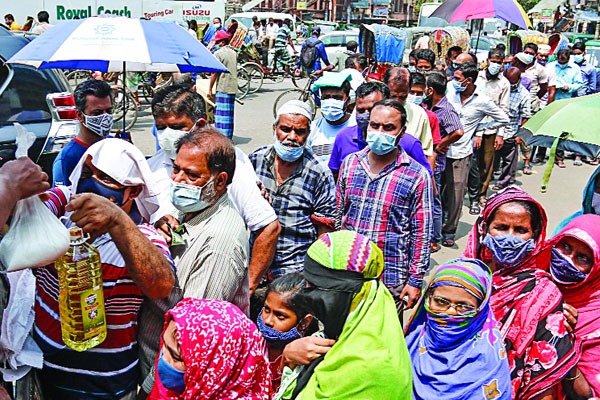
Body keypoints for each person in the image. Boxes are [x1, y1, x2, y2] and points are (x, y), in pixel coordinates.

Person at [35, 139, 175, 399]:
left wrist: (117, 220)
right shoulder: (63, 208)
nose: (92, 183)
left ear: (132, 192)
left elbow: (161, 284)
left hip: (105, 381)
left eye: (106, 178)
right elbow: (20, 220)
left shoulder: (144, 236)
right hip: (43, 365)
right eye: (88, 174)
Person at [138, 128, 257, 396]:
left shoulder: (220, 243)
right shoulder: (191, 209)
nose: (179, 180)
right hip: (152, 359)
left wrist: (150, 389)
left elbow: (191, 337)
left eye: (191, 175)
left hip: (171, 379)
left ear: (219, 181)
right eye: (176, 169)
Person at [148, 85, 279, 294]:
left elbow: (268, 227)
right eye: (160, 127)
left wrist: (250, 285)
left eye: (175, 126)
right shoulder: (151, 168)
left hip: (215, 281)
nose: (166, 135)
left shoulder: (228, 162)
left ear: (199, 124)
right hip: (166, 288)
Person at [463, 186, 581, 399]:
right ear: (484, 229)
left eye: (520, 230)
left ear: (534, 236)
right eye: (500, 227)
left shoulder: (544, 295)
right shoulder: (459, 279)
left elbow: (541, 383)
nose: (510, 237)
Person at [274, 231, 412, 399]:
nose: (306, 292)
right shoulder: (367, 309)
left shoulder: (368, 368)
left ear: (342, 290)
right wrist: (289, 356)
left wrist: (288, 360)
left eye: (314, 285)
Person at [336, 99, 433, 317]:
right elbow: (338, 216)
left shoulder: (417, 175)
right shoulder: (350, 164)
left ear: (402, 132)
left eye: (389, 128)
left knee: (383, 345)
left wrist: (415, 281)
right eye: (374, 125)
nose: (380, 132)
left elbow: (422, 234)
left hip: (389, 280)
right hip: (347, 274)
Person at [249, 100, 336, 280]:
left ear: (308, 134)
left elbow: (324, 231)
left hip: (295, 270)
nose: (292, 137)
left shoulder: (319, 173)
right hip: (254, 265)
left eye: (300, 132)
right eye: (286, 129)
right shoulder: (256, 160)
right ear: (275, 129)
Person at [404, 258, 511, 400]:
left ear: (480, 310)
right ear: (428, 299)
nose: (451, 312)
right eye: (441, 302)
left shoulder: (487, 357)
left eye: (464, 306)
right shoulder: (414, 338)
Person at [148, 298, 272, 399]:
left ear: (217, 370)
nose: (163, 358)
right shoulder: (173, 391)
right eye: (164, 345)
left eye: (175, 357)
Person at [442, 62, 508, 247]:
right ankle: (435, 228)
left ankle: (449, 231)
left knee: (456, 195)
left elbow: (503, 118)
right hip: (441, 150)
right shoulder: (449, 93)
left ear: (469, 80)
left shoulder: (482, 101)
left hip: (462, 152)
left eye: (458, 79)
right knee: (438, 191)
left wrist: (480, 128)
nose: (454, 81)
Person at [542, 215, 600, 397]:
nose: (568, 259)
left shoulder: (595, 316)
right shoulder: (528, 280)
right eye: (565, 247)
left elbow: (585, 395)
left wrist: (564, 342)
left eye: (583, 257)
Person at [328, 82, 432, 179]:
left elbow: (428, 185)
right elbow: (336, 178)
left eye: (372, 109)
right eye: (361, 110)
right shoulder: (344, 137)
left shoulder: (409, 144)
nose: (366, 115)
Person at [255, 273, 320, 392]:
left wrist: (286, 364)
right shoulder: (251, 343)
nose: (268, 321)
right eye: (267, 310)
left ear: (304, 322)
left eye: (280, 316)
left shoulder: (308, 356)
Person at [423, 71, 464, 252]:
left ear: (430, 90)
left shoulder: (445, 109)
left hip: (436, 162)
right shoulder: (430, 106)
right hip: (426, 158)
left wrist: (442, 144)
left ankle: (435, 238)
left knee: (434, 200)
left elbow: (458, 131)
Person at [467, 47, 510, 215]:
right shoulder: (478, 78)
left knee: (487, 163)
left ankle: (481, 193)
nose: (495, 65)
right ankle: (471, 191)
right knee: (471, 162)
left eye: (499, 63)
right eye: (493, 61)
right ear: (488, 61)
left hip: (491, 129)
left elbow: (504, 109)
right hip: (473, 126)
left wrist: (501, 134)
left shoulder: (503, 83)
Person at [52, 79, 113, 186]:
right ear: (80, 116)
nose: (105, 117)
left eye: (109, 111)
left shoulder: (115, 145)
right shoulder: (67, 159)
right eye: (97, 113)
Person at [383, 67, 436, 168]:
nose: (397, 101)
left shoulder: (419, 114)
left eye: (402, 97)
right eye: (393, 96)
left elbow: (428, 154)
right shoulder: (371, 110)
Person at [494, 67, 531, 190]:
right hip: (494, 128)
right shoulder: (498, 86)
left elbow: (526, 116)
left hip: (511, 131)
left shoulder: (524, 94)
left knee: (509, 160)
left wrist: (520, 135)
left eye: (513, 83)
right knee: (491, 158)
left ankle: (504, 181)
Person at [307, 71, 356, 164]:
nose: (331, 102)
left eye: (337, 98)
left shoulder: (356, 126)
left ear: (347, 100)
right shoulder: (313, 128)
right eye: (326, 97)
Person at [209, 31, 238, 138]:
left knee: (221, 115)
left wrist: (210, 88)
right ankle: (228, 136)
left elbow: (214, 73)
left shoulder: (218, 53)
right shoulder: (233, 52)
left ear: (221, 42)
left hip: (223, 86)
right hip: (232, 86)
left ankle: (222, 137)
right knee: (229, 115)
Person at [522, 43, 549, 113]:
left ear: (535, 55)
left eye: (531, 54)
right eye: (526, 53)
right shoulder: (518, 65)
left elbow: (544, 88)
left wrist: (535, 98)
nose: (528, 55)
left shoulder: (540, 69)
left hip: (530, 104)